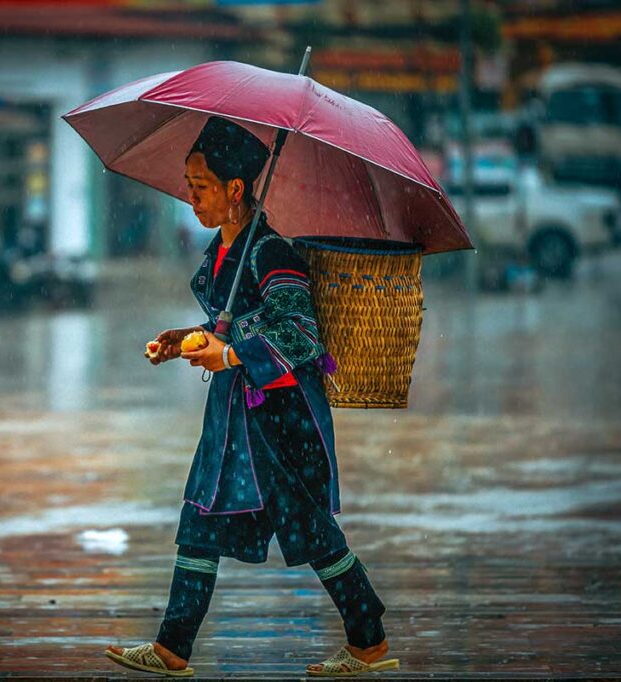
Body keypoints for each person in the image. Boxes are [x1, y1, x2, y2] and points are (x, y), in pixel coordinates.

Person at [105, 117, 398, 677]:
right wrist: (185, 339)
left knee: (311, 532)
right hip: (234, 420)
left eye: (200, 186)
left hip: (281, 424)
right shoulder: (223, 254)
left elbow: (301, 335)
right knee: (201, 518)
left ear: (235, 189)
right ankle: (172, 648)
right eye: (189, 185)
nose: (191, 197)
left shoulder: (270, 254)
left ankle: (369, 641)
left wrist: (231, 354)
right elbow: (228, 325)